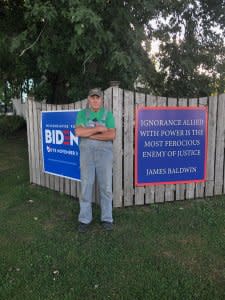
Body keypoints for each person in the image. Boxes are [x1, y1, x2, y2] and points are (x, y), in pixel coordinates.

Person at [75, 88, 116, 232]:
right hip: (87, 154)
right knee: (86, 186)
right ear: (88, 99)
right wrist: (99, 129)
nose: (95, 100)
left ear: (101, 99)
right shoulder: (82, 114)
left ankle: (107, 218)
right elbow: (79, 132)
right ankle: (85, 219)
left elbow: (111, 135)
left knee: (106, 187)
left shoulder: (108, 114)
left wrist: (89, 133)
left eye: (97, 98)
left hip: (104, 155)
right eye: (92, 98)